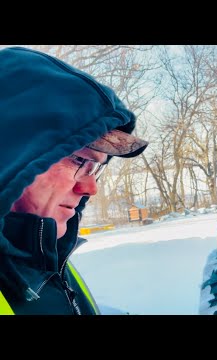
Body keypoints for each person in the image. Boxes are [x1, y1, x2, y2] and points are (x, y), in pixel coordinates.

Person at [0, 46, 149, 315]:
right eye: (78, 161)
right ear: (11, 155)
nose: (90, 188)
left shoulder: (50, 257)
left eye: (95, 169)